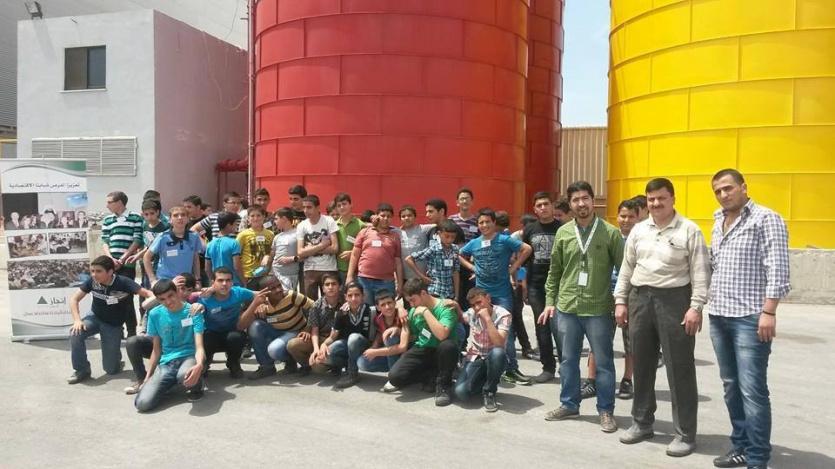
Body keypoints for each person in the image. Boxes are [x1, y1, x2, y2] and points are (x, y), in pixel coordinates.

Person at [614, 178, 710, 457]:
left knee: (680, 368)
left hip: (675, 301)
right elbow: (627, 267)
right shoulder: (639, 230)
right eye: (651, 199)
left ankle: (685, 433)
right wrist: (621, 301)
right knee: (642, 364)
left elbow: (701, 272)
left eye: (661, 198)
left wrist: (696, 307)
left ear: (673, 199)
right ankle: (642, 423)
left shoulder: (689, 230)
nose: (656, 203)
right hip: (639, 299)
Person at [707, 169, 790, 469]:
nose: (723, 194)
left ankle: (757, 458)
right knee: (731, 385)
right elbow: (715, 264)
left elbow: (778, 268)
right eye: (718, 191)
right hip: (719, 315)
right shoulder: (718, 220)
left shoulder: (766, 218)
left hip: (750, 318)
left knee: (752, 389)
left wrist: (769, 311)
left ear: (743, 187)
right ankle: (741, 445)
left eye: (728, 188)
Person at [539, 181, 623, 433]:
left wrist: (622, 302)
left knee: (604, 362)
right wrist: (550, 301)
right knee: (568, 360)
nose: (581, 204)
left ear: (593, 201)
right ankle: (569, 404)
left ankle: (606, 410)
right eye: (576, 200)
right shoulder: (564, 233)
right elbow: (554, 271)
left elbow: (624, 271)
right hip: (567, 307)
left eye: (585, 198)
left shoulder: (610, 233)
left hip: (598, 308)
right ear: (570, 204)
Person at [460, 208, 532, 385]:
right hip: (481, 294)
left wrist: (514, 268)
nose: (484, 225)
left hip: (502, 293)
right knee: (481, 329)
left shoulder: (504, 239)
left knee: (507, 332)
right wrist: (472, 267)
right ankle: (487, 366)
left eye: (487, 222)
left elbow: (527, 249)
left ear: (494, 223)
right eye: (481, 222)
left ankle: (511, 369)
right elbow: (459, 254)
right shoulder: (474, 243)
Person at [67, 256, 153, 384]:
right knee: (75, 333)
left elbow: (148, 294)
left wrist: (155, 303)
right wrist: (77, 320)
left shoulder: (123, 282)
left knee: (111, 369)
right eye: (92, 271)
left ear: (110, 272)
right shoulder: (92, 281)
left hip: (113, 325)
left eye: (98, 271)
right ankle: (81, 370)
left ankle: (115, 356)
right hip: (95, 318)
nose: (94, 274)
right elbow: (74, 299)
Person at [133, 279, 207, 411]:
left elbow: (199, 346)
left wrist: (200, 364)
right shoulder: (154, 314)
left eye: (170, 296)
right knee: (142, 404)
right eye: (162, 299)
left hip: (189, 357)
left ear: (177, 292)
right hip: (167, 363)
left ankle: (197, 386)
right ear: (157, 299)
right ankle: (170, 382)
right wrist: (147, 378)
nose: (168, 301)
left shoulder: (193, 311)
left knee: (183, 374)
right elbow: (156, 349)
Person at [387, 278, 459, 406]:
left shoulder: (446, 307)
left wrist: (425, 312)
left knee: (448, 346)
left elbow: (442, 335)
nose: (412, 305)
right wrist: (397, 329)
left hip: (442, 351)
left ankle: (444, 386)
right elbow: (412, 335)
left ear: (423, 293)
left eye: (413, 300)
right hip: (423, 348)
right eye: (409, 301)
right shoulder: (414, 310)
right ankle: (431, 376)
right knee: (395, 377)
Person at [522, 191, 562, 383]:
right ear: (535, 209)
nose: (543, 207)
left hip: (561, 286)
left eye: (546, 204)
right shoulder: (529, 230)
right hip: (536, 287)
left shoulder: (564, 228)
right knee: (542, 327)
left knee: (562, 328)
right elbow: (522, 259)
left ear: (553, 206)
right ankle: (548, 368)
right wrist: (522, 285)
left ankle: (566, 367)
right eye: (539, 205)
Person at [241, 275, 314, 380]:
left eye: (279, 285)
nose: (278, 290)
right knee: (255, 326)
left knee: (274, 349)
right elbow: (243, 324)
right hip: (277, 332)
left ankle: (291, 361)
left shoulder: (292, 296)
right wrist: (255, 307)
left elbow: (315, 308)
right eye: (273, 288)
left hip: (295, 332)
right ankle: (266, 367)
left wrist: (308, 328)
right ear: (264, 292)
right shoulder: (262, 303)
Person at [452, 288, 510, 413]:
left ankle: (489, 391)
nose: (477, 307)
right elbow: (462, 318)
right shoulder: (472, 313)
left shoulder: (503, 314)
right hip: (475, 357)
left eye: (479, 302)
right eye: (473, 305)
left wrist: (487, 319)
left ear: (488, 298)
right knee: (461, 392)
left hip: (494, 358)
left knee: (498, 352)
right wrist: (456, 305)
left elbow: (499, 343)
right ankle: (485, 381)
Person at [197, 267, 257, 378]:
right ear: (213, 282)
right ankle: (205, 362)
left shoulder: (238, 292)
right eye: (220, 280)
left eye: (228, 280)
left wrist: (261, 304)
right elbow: (186, 297)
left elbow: (260, 294)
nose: (224, 284)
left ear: (232, 282)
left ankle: (233, 363)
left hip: (231, 333)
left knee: (237, 337)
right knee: (205, 337)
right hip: (211, 334)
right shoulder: (205, 298)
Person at [101, 191, 145, 336]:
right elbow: (105, 241)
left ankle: (131, 331)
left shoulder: (135, 217)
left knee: (126, 297)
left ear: (119, 202)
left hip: (127, 265)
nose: (107, 205)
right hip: (110, 265)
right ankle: (117, 330)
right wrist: (110, 259)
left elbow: (137, 240)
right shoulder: (107, 220)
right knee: (112, 298)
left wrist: (123, 259)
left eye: (109, 202)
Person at [319, 282, 376, 388]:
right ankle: (345, 365)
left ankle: (352, 374)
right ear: (345, 297)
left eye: (357, 295)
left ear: (363, 296)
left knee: (353, 338)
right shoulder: (341, 313)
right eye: (350, 295)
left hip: (365, 346)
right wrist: (323, 345)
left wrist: (400, 309)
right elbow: (332, 336)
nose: (353, 299)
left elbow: (391, 309)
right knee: (325, 356)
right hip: (348, 347)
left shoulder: (371, 311)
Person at [347, 203, 404, 305]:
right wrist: (349, 276)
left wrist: (400, 284)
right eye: (382, 215)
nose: (385, 218)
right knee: (366, 309)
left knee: (386, 310)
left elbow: (398, 261)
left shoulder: (395, 236)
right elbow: (355, 255)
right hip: (364, 280)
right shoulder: (365, 232)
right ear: (377, 216)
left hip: (386, 282)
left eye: (389, 216)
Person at [286, 273, 343, 375]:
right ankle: (307, 365)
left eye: (334, 284)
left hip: (337, 340)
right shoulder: (316, 306)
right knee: (292, 345)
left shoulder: (345, 303)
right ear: (323, 288)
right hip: (320, 338)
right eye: (327, 284)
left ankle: (336, 365)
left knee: (318, 367)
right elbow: (314, 330)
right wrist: (316, 349)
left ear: (340, 287)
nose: (330, 287)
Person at [144, 206, 202, 286]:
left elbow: (195, 258)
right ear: (170, 220)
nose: (180, 218)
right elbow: (146, 257)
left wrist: (197, 279)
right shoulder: (163, 237)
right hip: (165, 282)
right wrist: (152, 280)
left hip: (185, 282)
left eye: (183, 215)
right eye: (175, 215)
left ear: (188, 219)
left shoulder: (194, 237)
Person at [406, 219, 461, 302]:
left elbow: (455, 272)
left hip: (449, 292)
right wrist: (422, 277)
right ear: (439, 234)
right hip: (435, 291)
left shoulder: (455, 249)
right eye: (447, 236)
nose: (450, 240)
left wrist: (456, 295)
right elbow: (409, 259)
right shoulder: (434, 249)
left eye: (452, 237)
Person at [296, 194, 339, 300]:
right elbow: (300, 252)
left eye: (309, 207)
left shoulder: (329, 221)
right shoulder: (301, 225)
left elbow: (335, 248)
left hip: (329, 268)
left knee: (331, 301)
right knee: (310, 303)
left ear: (318, 207)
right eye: (304, 207)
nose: (306, 210)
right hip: (309, 269)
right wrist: (322, 245)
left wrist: (310, 249)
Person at [358, 290, 404, 376]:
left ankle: (394, 376)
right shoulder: (378, 319)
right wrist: (374, 348)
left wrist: (398, 330)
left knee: (390, 336)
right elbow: (379, 334)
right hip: (390, 353)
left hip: (404, 352)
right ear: (378, 307)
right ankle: (396, 369)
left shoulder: (402, 315)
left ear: (395, 303)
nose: (387, 307)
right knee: (362, 362)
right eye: (383, 305)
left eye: (389, 303)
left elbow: (411, 337)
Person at [450, 188, 479, 307]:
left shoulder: (478, 221)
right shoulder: (451, 220)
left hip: (470, 266)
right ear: (457, 202)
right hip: (453, 265)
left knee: (469, 298)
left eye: (467, 198)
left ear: (472, 201)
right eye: (462, 199)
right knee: (455, 297)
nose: (464, 201)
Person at [397, 205, 430, 306]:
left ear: (415, 217)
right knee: (409, 305)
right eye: (403, 216)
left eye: (409, 215)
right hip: (405, 278)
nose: (406, 218)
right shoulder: (396, 232)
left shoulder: (423, 229)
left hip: (422, 278)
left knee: (424, 305)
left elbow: (440, 223)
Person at [237, 205, 275, 288]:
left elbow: (272, 251)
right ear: (248, 218)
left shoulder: (270, 234)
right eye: (252, 216)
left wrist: (268, 256)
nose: (255, 218)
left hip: (265, 274)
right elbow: (237, 255)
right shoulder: (243, 235)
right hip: (248, 275)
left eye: (258, 215)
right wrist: (242, 276)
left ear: (264, 217)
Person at [205, 212, 245, 286]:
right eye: (235, 224)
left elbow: (207, 268)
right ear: (229, 225)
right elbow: (236, 267)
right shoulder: (234, 243)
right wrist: (244, 282)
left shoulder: (210, 244)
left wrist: (213, 282)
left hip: (218, 283)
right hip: (233, 283)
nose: (237, 227)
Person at [334, 193, 365, 284]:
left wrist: (353, 253)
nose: (342, 207)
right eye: (339, 205)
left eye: (344, 204)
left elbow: (367, 248)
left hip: (357, 270)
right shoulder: (334, 225)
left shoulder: (361, 225)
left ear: (351, 205)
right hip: (338, 269)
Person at [268, 207, 301, 291]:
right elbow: (272, 254)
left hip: (289, 275)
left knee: (288, 297)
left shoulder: (298, 234)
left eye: (276, 219)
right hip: (275, 274)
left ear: (284, 218)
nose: (275, 222)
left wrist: (292, 259)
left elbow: (306, 254)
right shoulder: (277, 236)